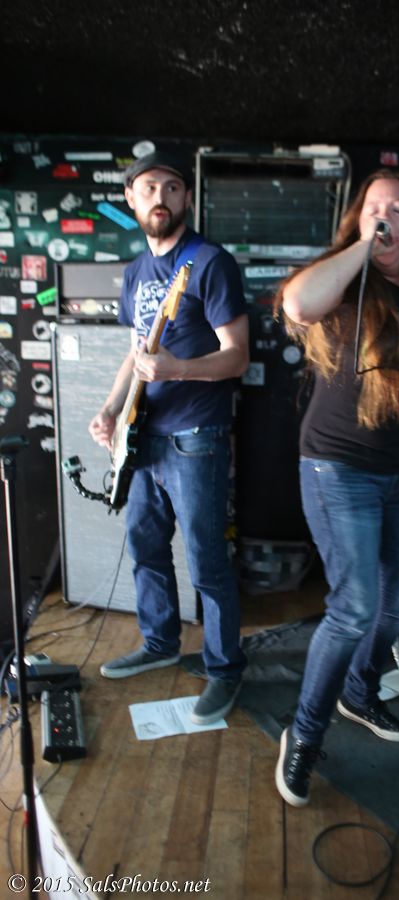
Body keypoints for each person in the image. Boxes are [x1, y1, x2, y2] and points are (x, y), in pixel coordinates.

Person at [274, 168, 399, 806]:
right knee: (353, 608)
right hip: (338, 465)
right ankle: (303, 733)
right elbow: (298, 305)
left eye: (398, 209)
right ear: (357, 220)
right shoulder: (345, 277)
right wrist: (360, 244)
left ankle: (359, 692)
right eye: (373, 208)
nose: (385, 218)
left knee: (395, 606)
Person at [88, 150, 249, 725]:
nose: (161, 197)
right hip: (143, 435)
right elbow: (135, 353)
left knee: (206, 561)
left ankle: (225, 668)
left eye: (172, 187)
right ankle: (159, 643)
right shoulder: (136, 271)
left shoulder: (209, 263)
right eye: (149, 187)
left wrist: (179, 369)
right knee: (146, 546)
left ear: (186, 198)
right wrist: (111, 409)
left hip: (196, 437)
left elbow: (237, 356)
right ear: (131, 199)